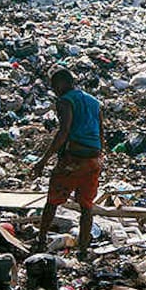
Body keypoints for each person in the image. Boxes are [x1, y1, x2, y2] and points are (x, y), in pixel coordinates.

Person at [31, 69, 104, 260]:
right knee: (86, 207)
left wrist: (43, 161)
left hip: (73, 159)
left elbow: (63, 132)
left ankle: (41, 240)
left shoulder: (65, 101)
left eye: (55, 86)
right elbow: (101, 132)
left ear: (62, 83)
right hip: (93, 159)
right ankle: (83, 250)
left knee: (53, 201)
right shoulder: (94, 102)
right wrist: (99, 156)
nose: (54, 90)